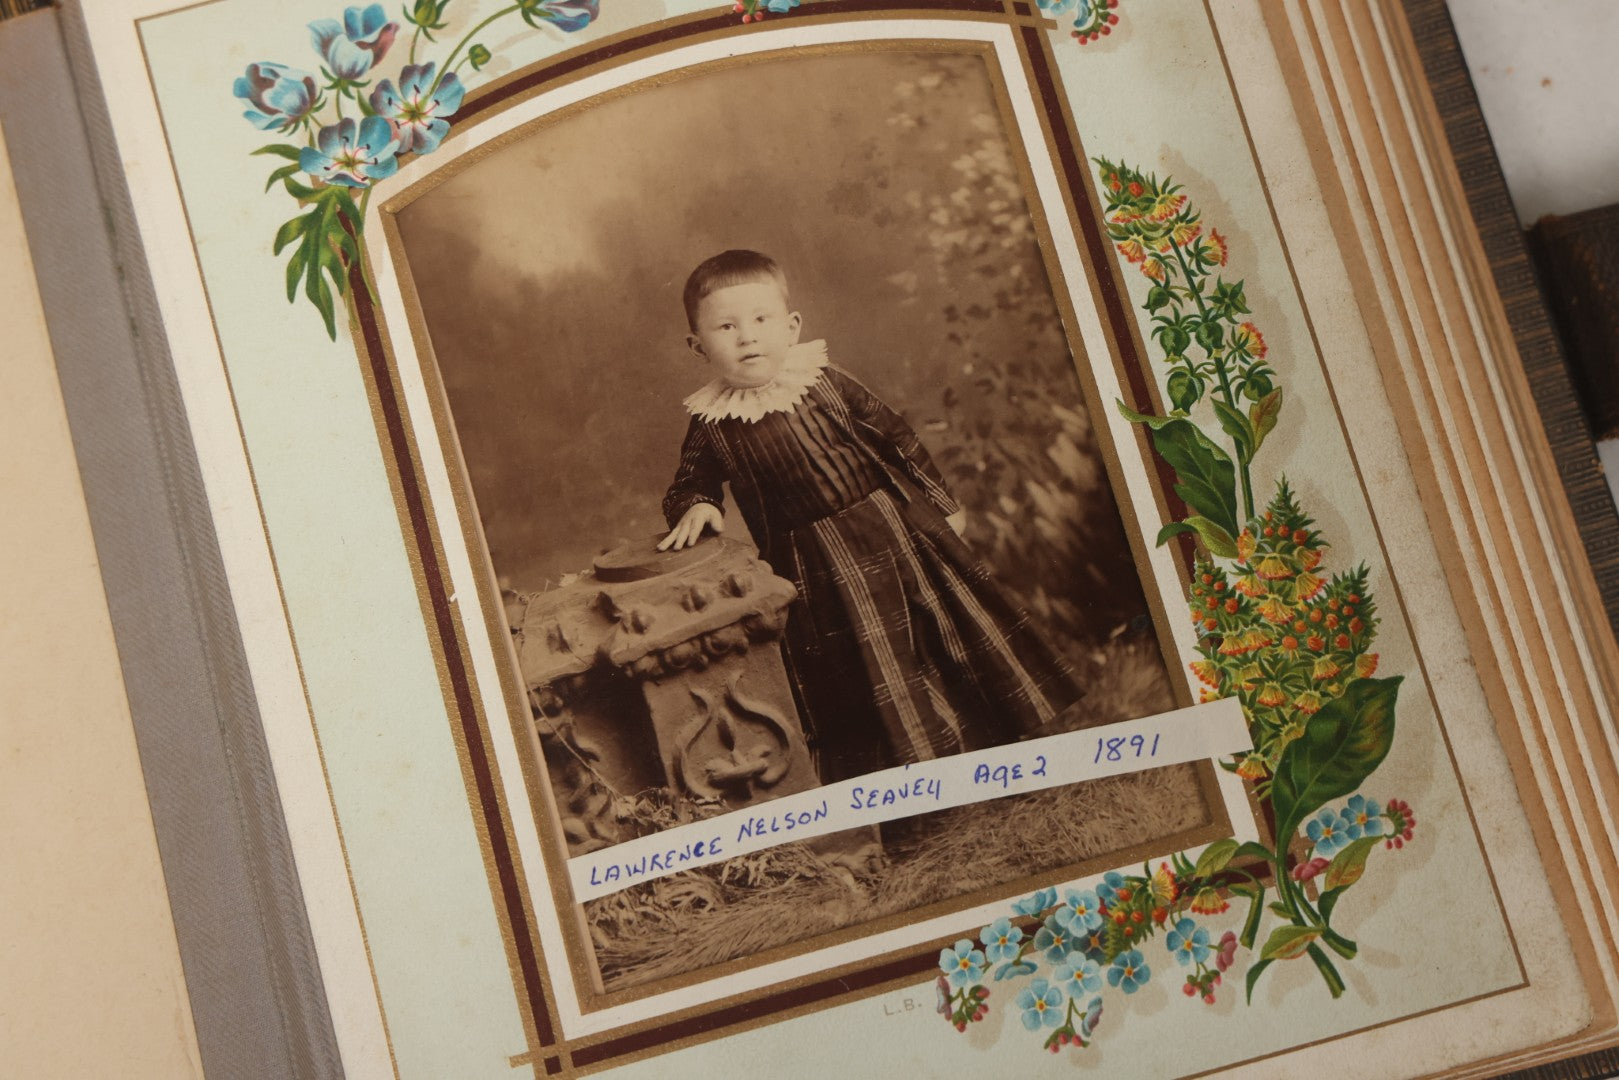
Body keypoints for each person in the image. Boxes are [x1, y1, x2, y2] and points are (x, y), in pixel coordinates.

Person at [659, 250, 1082, 782]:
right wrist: (697, 504)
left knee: (941, 633)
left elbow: (898, 438)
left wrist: (942, 504)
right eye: (726, 326)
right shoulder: (713, 422)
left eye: (761, 319)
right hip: (811, 562)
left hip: (895, 530)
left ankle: (1001, 742)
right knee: (864, 667)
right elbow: (689, 481)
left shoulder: (824, 382)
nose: (747, 337)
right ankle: (914, 775)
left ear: (791, 328)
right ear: (699, 347)